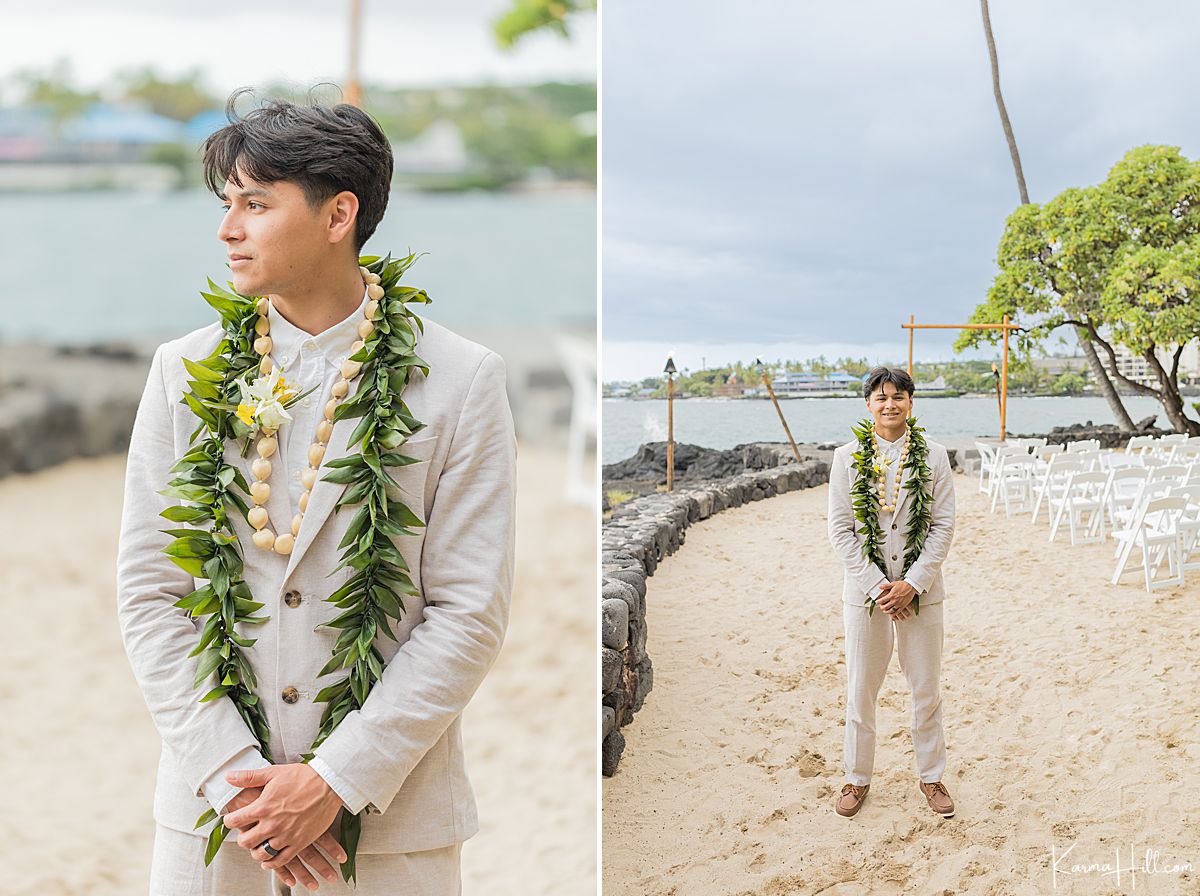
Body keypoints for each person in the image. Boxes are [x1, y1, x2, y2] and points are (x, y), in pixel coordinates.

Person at [116, 91, 517, 894]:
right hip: (216, 813)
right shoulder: (180, 371)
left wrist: (335, 776)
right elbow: (151, 591)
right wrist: (235, 774)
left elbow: (469, 610)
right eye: (228, 204)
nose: (228, 229)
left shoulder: (462, 380)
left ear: (339, 215)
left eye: (256, 204)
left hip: (389, 823)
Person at [825, 366, 956, 820]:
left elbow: (942, 527)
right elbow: (841, 532)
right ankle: (856, 778)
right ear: (868, 405)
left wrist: (912, 584)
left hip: (922, 591)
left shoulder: (935, 455)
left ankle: (932, 776)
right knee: (861, 689)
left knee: (925, 689)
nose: (889, 404)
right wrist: (880, 587)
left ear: (911, 402)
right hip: (866, 596)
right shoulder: (846, 457)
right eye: (880, 398)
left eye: (898, 397)